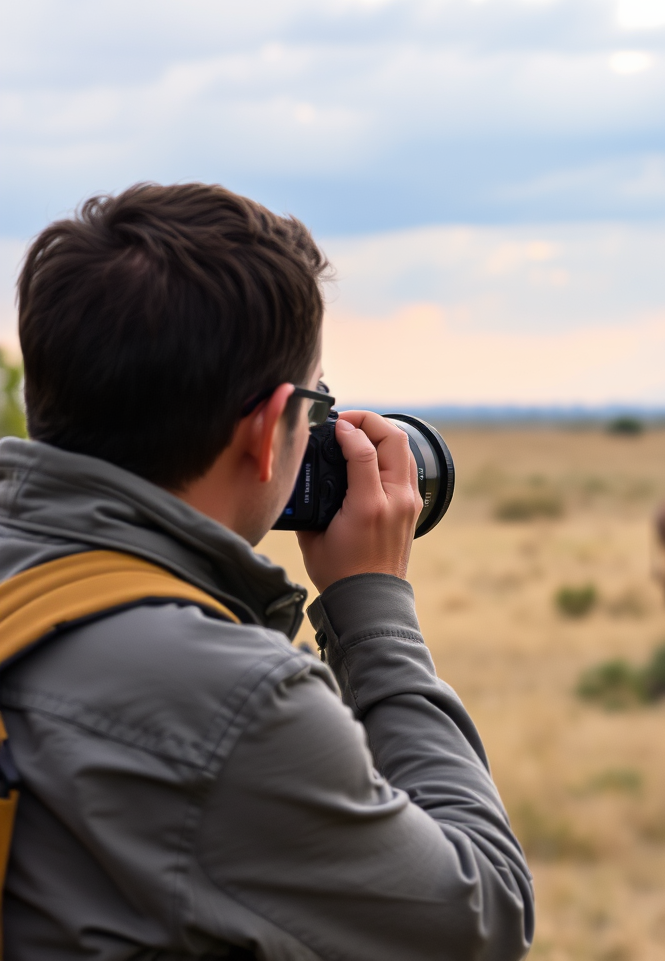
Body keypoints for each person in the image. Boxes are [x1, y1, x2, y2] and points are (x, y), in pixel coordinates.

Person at [0, 183, 534, 959]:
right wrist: (373, 605)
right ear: (265, 430)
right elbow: (482, 918)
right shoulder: (233, 698)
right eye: (316, 405)